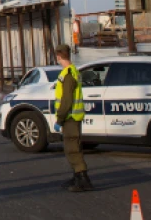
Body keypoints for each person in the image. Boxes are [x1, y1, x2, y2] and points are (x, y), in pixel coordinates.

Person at [54, 44, 94, 192]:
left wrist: (59, 119)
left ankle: (83, 180)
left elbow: (66, 101)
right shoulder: (74, 71)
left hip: (70, 118)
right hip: (74, 117)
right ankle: (77, 176)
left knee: (72, 149)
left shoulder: (68, 75)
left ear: (58, 56)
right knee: (74, 147)